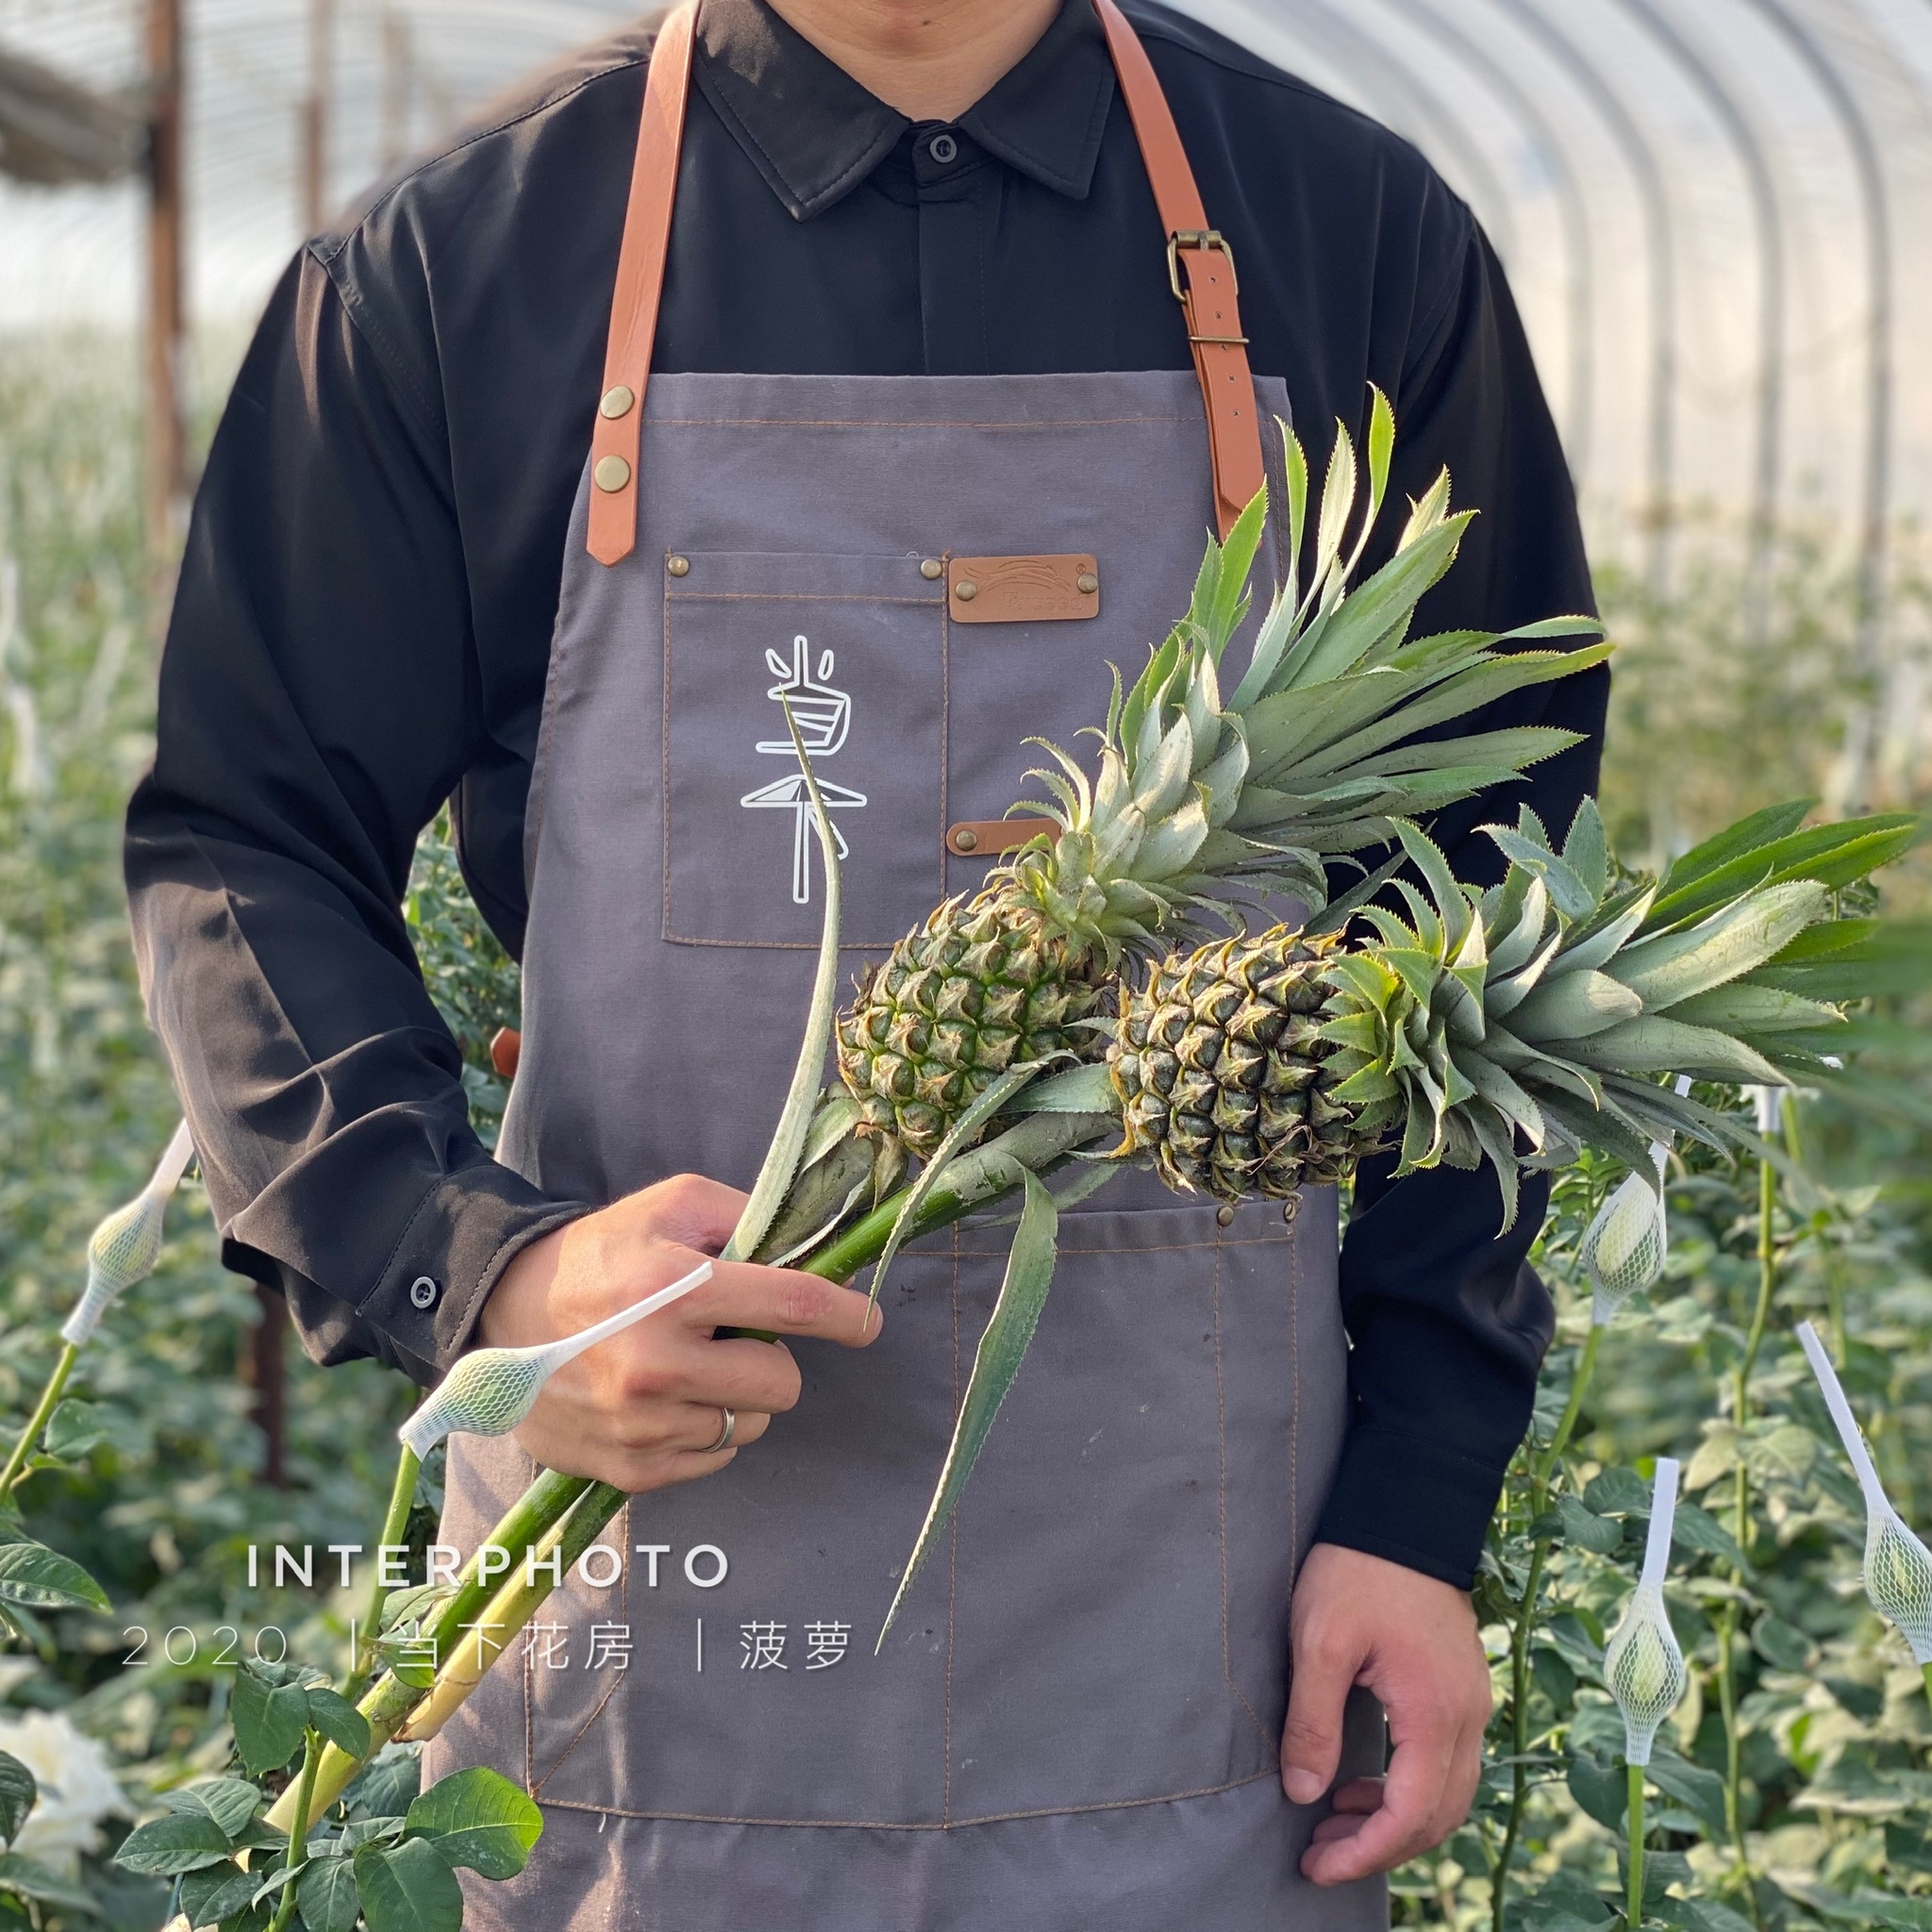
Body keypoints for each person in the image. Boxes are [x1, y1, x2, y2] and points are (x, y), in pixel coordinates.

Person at [125, 0, 1607, 1925]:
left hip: (1204, 1649)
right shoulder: (456, 260)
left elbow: (1487, 889)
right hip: (660, 1632)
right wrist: (476, 1275)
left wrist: (1421, 1500)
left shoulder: (1356, 237)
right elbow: (245, 835)